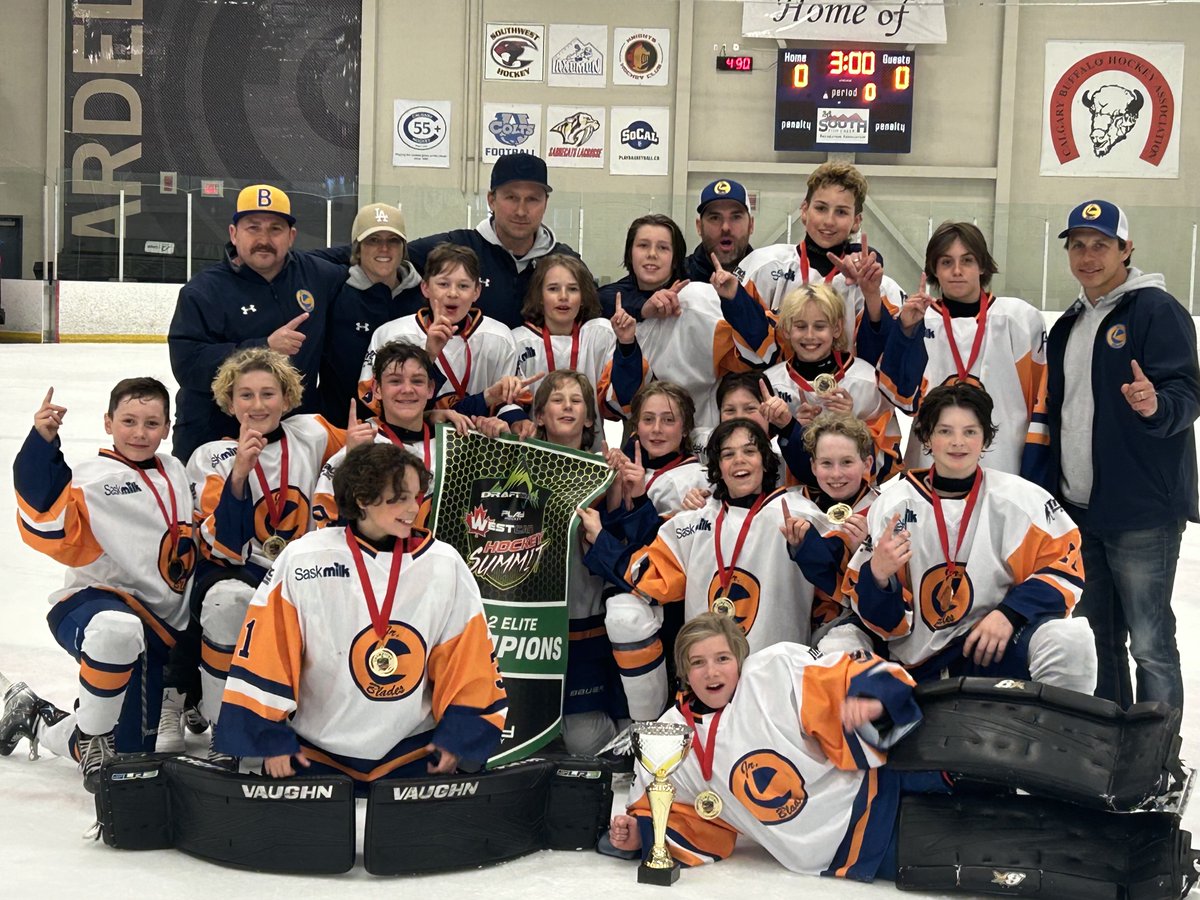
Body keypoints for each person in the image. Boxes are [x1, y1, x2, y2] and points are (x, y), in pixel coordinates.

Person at [215, 442, 507, 785]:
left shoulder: (444, 563)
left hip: (412, 751)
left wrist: (459, 736)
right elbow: (267, 650)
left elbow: (468, 659)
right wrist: (270, 738)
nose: (413, 508)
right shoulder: (304, 557)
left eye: (416, 496)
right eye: (398, 498)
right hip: (315, 751)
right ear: (362, 499)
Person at [606, 613, 928, 882]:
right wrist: (643, 833)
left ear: (739, 658)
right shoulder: (671, 734)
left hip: (879, 793)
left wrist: (869, 698)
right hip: (841, 850)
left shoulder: (774, 671)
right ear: (684, 673)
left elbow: (843, 675)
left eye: (722, 658)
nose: (713, 672)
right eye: (698, 663)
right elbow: (677, 813)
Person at [2, 378, 194, 791]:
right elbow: (45, 522)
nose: (140, 433)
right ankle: (92, 736)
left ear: (167, 427)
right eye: (128, 421)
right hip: (93, 606)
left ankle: (36, 717)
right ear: (107, 423)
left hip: (159, 627)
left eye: (151, 423)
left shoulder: (176, 471)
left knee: (131, 753)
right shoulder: (89, 477)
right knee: (116, 631)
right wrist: (43, 443)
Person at [844, 382, 1097, 692]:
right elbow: (881, 624)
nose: (958, 443)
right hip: (920, 666)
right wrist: (878, 578)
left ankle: (1059, 734)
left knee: (1072, 639)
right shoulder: (893, 506)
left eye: (970, 432)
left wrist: (1010, 613)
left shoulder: (1021, 500)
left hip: (996, 647)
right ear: (927, 437)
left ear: (986, 438)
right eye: (945, 431)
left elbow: (1065, 568)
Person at [1048, 199, 1199, 711]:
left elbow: (1187, 394)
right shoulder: (1068, 325)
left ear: (1126, 249)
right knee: (1097, 639)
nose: (1088, 256)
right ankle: (1112, 749)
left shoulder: (1157, 311)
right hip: (1080, 511)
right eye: (1079, 246)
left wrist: (1157, 405)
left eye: (1102, 245)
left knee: (1151, 644)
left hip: (1141, 514)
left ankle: (1158, 763)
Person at [580, 418, 819, 719]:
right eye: (728, 454)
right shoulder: (694, 521)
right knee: (623, 609)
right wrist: (602, 539)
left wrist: (811, 547)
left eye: (750, 451)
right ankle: (645, 728)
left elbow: (839, 575)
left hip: (777, 686)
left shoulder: (798, 513)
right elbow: (649, 575)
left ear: (766, 461)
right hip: (707, 684)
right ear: (717, 467)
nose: (739, 461)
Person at [184, 348, 351, 755]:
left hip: (303, 570)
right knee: (227, 604)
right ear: (229, 401)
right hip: (239, 571)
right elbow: (221, 546)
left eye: (268, 394)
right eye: (245, 395)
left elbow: (368, 448)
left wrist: (437, 417)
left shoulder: (312, 431)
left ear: (287, 397)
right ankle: (223, 730)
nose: (257, 405)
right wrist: (240, 473)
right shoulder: (210, 457)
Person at [168, 184, 346, 462]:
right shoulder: (203, 291)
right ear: (233, 233)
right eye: (253, 227)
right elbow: (188, 364)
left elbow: (370, 256)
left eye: (275, 229)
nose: (264, 238)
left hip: (291, 440)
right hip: (214, 438)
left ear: (291, 236)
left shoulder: (316, 275)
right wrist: (265, 347)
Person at [879, 221, 1047, 480]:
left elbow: (1040, 403)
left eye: (967, 260)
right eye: (946, 262)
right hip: (930, 464)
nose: (957, 271)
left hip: (1002, 465)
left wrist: (1037, 470)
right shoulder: (919, 320)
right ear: (934, 268)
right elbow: (902, 398)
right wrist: (906, 332)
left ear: (982, 265)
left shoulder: (1018, 319)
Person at [528, 370, 625, 754]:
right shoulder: (517, 463)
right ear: (538, 415)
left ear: (589, 418)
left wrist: (617, 486)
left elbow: (620, 542)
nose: (567, 406)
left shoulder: (604, 471)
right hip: (531, 624)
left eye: (576, 400)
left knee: (587, 745)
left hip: (585, 621)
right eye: (556, 399)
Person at [737, 162, 902, 364]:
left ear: (856, 221)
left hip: (845, 393)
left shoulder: (877, 284)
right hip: (778, 390)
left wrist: (871, 295)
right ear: (804, 211)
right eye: (821, 208)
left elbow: (881, 359)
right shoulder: (765, 265)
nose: (829, 221)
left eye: (841, 212)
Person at [357, 243, 525, 435]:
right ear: (426, 287)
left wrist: (517, 421)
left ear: (477, 291)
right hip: (412, 444)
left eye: (463, 286)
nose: (452, 293)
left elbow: (507, 402)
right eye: (443, 284)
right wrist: (429, 354)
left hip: (478, 447)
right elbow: (375, 402)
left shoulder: (500, 337)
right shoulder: (392, 335)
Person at [407, 154, 580, 329]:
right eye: (511, 198)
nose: (521, 211)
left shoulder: (564, 259)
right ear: (491, 200)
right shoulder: (459, 246)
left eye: (532, 199)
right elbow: (393, 258)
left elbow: (597, 302)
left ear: (545, 203)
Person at [313, 340, 470, 529]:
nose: (407, 389)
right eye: (395, 381)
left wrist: (495, 428)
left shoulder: (454, 445)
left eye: (417, 381)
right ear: (377, 389)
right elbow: (330, 530)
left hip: (439, 557)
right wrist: (354, 465)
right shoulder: (359, 447)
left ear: (430, 389)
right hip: (376, 557)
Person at [763, 283, 901, 486]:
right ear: (786, 330)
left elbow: (887, 460)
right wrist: (792, 431)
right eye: (800, 326)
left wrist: (852, 423)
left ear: (836, 328)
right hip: (792, 497)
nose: (810, 336)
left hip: (854, 501)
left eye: (820, 326)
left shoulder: (867, 380)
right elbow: (757, 453)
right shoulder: (770, 383)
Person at [320, 202, 424, 427]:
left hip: (407, 431)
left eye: (392, 241)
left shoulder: (423, 296)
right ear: (358, 248)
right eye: (373, 240)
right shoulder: (335, 293)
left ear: (404, 248)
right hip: (342, 428)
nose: (384, 249)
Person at [512, 253, 628, 441]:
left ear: (583, 297)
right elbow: (511, 403)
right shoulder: (519, 342)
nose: (563, 297)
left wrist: (627, 344)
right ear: (539, 296)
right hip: (532, 454)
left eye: (573, 289)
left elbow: (619, 401)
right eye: (553, 289)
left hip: (589, 454)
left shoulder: (600, 335)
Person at [598, 213, 690, 320]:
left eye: (663, 247)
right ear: (630, 254)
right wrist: (644, 307)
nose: (652, 254)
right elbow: (600, 298)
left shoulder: (691, 295)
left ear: (675, 258)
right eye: (643, 245)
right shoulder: (615, 292)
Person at [685, 179, 755, 282]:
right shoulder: (678, 276)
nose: (725, 227)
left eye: (735, 217)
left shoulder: (768, 280)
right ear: (699, 226)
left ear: (751, 225)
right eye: (715, 218)